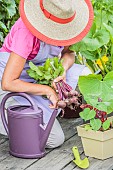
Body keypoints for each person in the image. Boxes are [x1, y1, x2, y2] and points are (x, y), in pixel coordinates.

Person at [0, 0, 93, 148]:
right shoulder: (26, 32)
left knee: (87, 74)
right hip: (12, 85)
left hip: (38, 77)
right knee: (53, 139)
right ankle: (10, 116)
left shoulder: (64, 26)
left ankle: (45, 112)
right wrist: (47, 90)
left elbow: (69, 53)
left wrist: (62, 69)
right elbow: (8, 82)